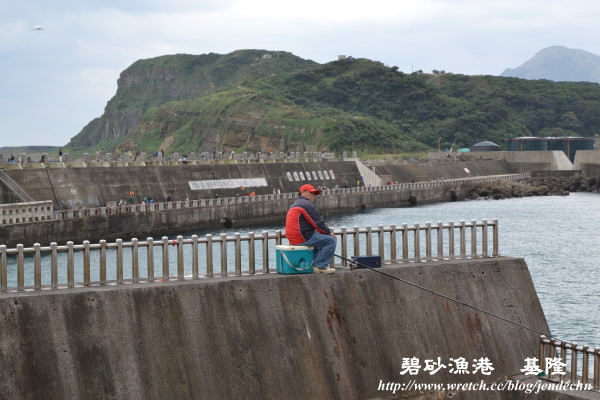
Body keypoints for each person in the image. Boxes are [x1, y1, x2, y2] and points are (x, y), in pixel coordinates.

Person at [285, 184, 337, 273]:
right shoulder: (306, 204)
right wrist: (328, 233)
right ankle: (320, 266)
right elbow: (318, 223)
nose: (313, 195)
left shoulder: (295, 204)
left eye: (315, 193)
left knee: (320, 240)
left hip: (293, 238)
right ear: (303, 192)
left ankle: (315, 265)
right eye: (311, 193)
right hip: (303, 237)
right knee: (331, 241)